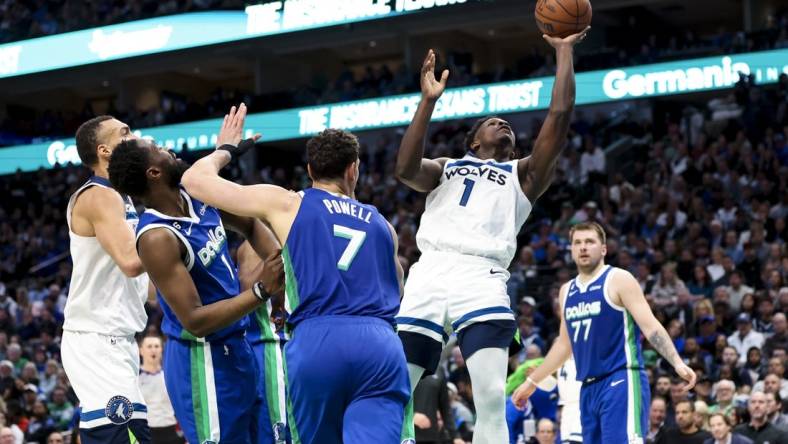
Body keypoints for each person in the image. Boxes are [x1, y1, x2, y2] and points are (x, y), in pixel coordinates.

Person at [394, 27, 589, 443]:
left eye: (509, 127)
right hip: (428, 273)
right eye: (492, 122)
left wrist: (564, 51)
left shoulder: (524, 174)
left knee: (488, 395)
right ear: (473, 141)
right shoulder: (446, 165)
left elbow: (560, 114)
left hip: (481, 277)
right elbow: (405, 170)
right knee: (395, 394)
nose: (504, 124)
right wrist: (427, 103)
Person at [181, 106, 410, 443]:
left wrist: (224, 150)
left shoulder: (289, 203)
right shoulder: (383, 225)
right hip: (379, 344)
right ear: (354, 170)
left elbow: (194, 181)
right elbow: (399, 287)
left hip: (319, 339)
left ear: (309, 170)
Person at [107, 123, 284, 444]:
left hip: (239, 347)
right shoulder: (156, 237)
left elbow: (250, 223)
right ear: (154, 173)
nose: (170, 152)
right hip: (202, 361)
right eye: (160, 151)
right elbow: (195, 320)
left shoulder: (196, 194)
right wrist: (262, 290)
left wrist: (281, 270)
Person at [512, 222, 696, 443]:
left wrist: (676, 362)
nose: (583, 247)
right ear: (571, 250)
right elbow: (564, 344)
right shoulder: (566, 291)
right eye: (577, 243)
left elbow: (651, 326)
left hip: (621, 379)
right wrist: (532, 382)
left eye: (589, 242)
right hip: (588, 388)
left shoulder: (619, 279)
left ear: (604, 249)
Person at [60, 116, 152, 444]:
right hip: (98, 338)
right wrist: (179, 230)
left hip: (115, 338)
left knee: (117, 434)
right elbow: (131, 262)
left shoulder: (122, 198)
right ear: (105, 151)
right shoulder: (98, 196)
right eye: (125, 132)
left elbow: (147, 284)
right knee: (127, 436)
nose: (134, 135)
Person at [236, 241, 290, 443]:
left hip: (300, 346)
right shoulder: (253, 245)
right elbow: (246, 289)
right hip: (271, 348)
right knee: (277, 436)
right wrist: (279, 253)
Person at [137, 335, 184, 444]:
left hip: (172, 431)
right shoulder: (135, 378)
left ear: (161, 349)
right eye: (149, 346)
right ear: (141, 351)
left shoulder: (171, 375)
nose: (153, 350)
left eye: (156, 346)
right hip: (147, 432)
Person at [556, 357, 582, 443]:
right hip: (567, 408)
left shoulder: (582, 351)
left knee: (576, 441)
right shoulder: (558, 358)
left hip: (580, 404)